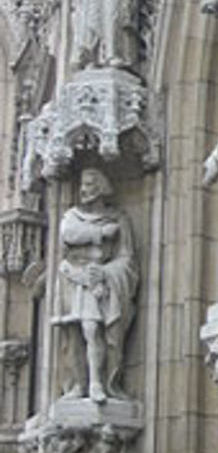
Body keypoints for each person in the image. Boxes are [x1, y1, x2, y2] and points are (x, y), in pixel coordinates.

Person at [54, 167, 139, 403]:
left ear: (101, 188)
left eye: (90, 184)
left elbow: (127, 260)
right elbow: (68, 235)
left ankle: (96, 383)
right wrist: (100, 232)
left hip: (97, 282)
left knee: (92, 330)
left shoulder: (118, 219)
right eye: (82, 184)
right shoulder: (71, 216)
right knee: (74, 335)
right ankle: (77, 383)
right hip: (73, 279)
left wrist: (105, 273)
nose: (83, 189)